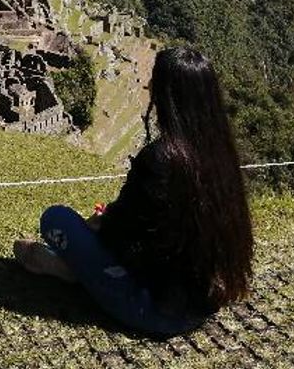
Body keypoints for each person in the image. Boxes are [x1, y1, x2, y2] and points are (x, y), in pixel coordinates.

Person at [14, 47, 254, 336]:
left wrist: (99, 222)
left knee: (56, 218)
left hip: (153, 309)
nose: (148, 85)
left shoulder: (161, 158)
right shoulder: (222, 154)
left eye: (154, 81)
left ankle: (69, 270)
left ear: (166, 95)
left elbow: (118, 231)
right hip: (203, 304)